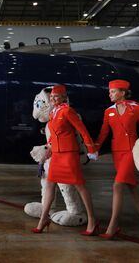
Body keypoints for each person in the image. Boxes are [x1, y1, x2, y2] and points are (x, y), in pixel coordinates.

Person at [32, 85, 100, 235]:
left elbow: (82, 130)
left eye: (56, 96)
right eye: (51, 97)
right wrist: (47, 149)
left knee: (80, 187)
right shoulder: (53, 113)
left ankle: (92, 220)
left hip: (69, 154)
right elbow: (53, 135)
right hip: (56, 154)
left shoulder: (68, 111)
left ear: (64, 97)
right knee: (49, 184)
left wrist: (90, 149)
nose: (53, 99)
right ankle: (44, 219)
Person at [94, 79, 139, 239]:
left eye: (113, 91)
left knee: (117, 185)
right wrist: (95, 149)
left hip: (131, 151)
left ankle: (113, 226)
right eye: (109, 92)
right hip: (117, 153)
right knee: (132, 189)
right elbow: (104, 132)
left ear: (122, 92)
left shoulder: (135, 108)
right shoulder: (108, 111)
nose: (110, 94)